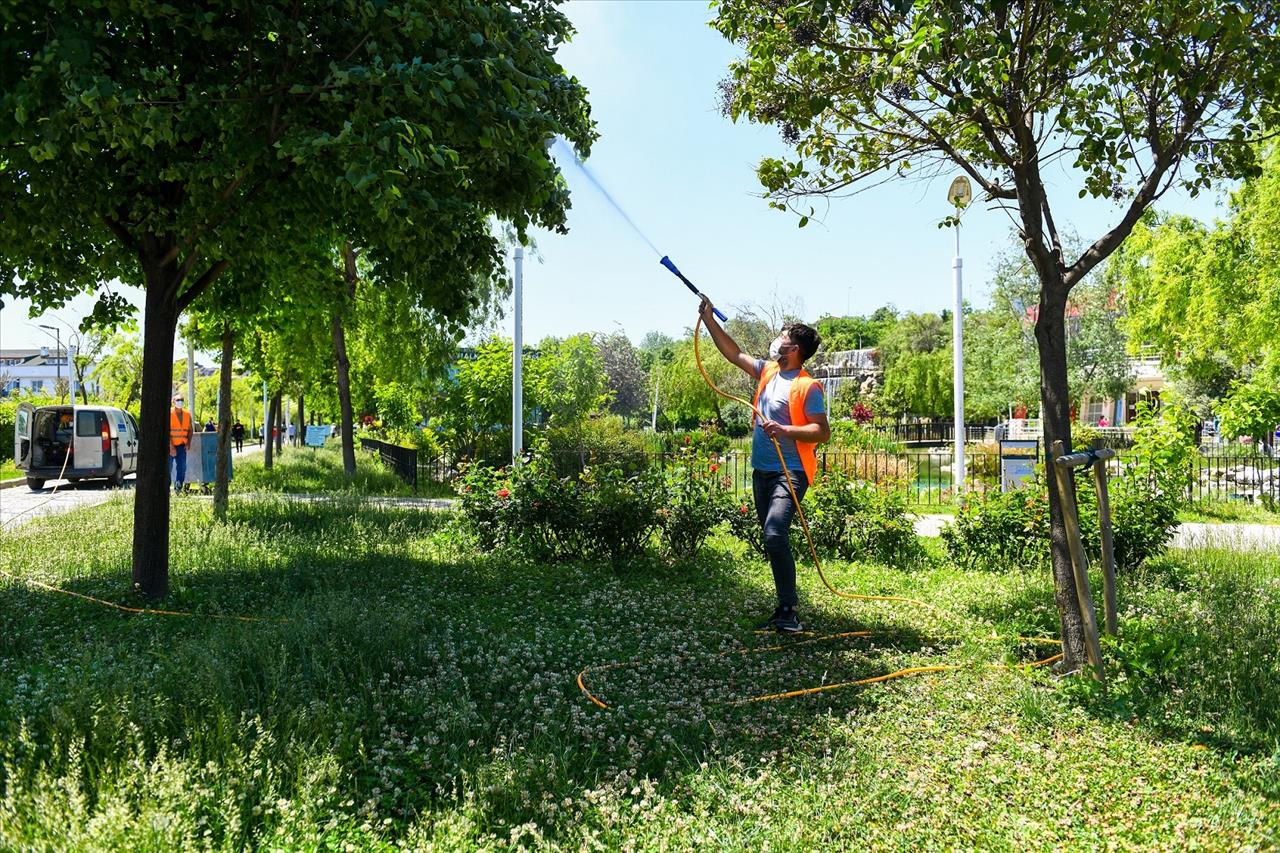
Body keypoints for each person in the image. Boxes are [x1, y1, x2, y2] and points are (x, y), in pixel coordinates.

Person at [698, 296, 830, 633]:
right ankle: (784, 606)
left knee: (774, 532)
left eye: (784, 335)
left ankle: (789, 609)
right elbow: (734, 353)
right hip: (763, 471)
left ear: (796, 348)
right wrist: (710, 320)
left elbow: (821, 431)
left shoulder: (807, 386)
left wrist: (785, 429)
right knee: (771, 536)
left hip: (792, 473)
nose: (778, 339)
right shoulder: (769, 371)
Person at [169, 393, 194, 494]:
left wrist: (188, 443)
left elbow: (190, 430)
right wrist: (170, 446)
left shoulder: (187, 414)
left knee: (182, 467)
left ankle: (178, 487)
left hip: (182, 446)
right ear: (173, 401)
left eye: (182, 400)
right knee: (168, 468)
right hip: (170, 446)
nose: (180, 402)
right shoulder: (169, 413)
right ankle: (166, 489)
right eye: (178, 400)